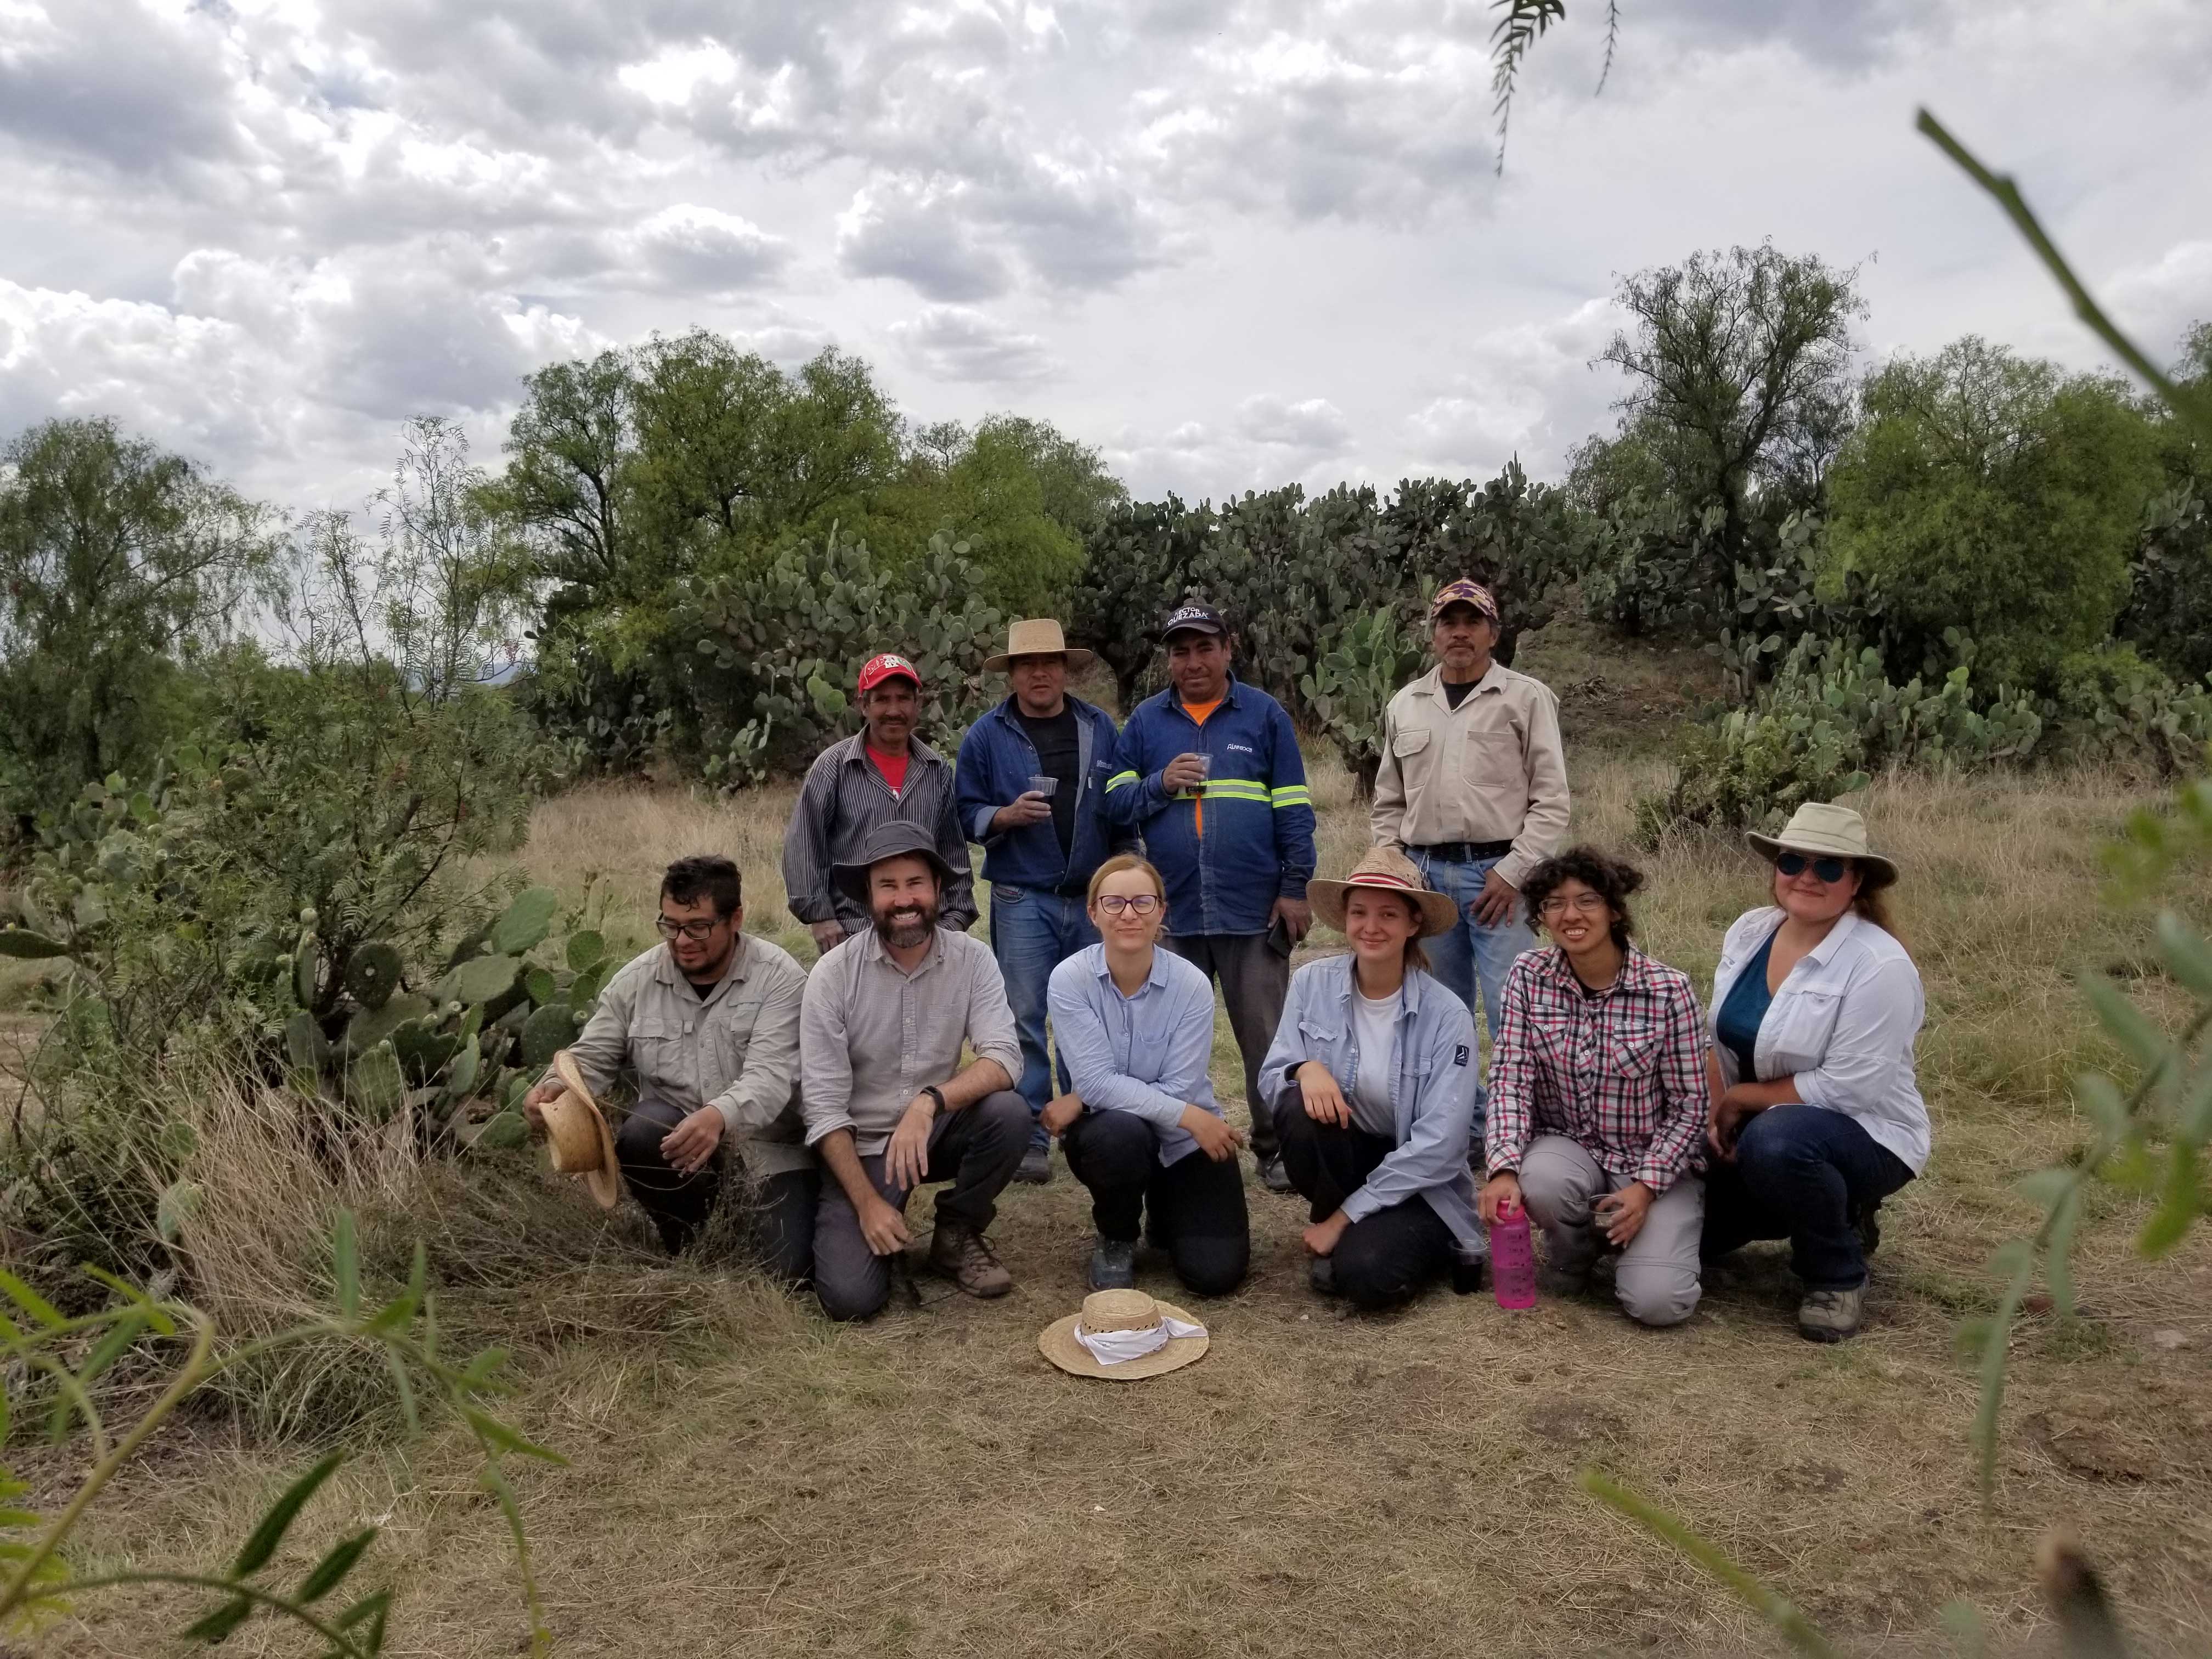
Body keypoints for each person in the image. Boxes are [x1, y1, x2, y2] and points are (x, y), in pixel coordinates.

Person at [1102, 603, 1316, 1193]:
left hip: (1252, 909)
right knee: (1164, 1041)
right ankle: (1177, 1146)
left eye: (1203, 648)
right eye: (1180, 651)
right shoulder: (1146, 722)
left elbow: (1295, 810)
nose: (1192, 662)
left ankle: (1273, 1148)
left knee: (1266, 1039)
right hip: (1171, 912)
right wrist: (1158, 784)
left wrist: (1295, 888)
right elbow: (1115, 803)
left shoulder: (1265, 716)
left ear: (1229, 648)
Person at [1701, 802, 1928, 1343]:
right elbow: (1714, 1037)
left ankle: (1836, 1272)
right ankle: (1823, 1208)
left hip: (1864, 1134)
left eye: (1828, 867)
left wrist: (1743, 1101)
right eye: (1792, 861)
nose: (1806, 876)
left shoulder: (1879, 965)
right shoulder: (1750, 931)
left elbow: (1849, 1089)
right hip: (1754, 1123)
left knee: (1778, 1143)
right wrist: (1713, 1113)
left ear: (1856, 883)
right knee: (1693, 1237)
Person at [522, 856, 812, 1273]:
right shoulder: (636, 980)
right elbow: (591, 1057)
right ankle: (685, 1238)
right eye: (671, 926)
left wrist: (717, 1116)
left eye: (698, 927)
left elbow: (769, 1080)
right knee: (642, 1131)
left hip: (767, 1149)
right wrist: (553, 1089)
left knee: (787, 1271)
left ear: (735, 920)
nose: (681, 940)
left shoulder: (780, 979)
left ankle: (769, 1214)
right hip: (676, 1147)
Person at [799, 821, 1030, 1321]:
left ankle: (957, 1230)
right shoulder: (833, 976)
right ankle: (873, 1217)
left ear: (938, 890)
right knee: (851, 1300)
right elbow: (822, 1109)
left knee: (1009, 1112)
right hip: (860, 1147)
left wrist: (930, 1102)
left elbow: (1006, 1057)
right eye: (888, 886)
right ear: (867, 897)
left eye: (915, 884)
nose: (904, 899)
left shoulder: (973, 960)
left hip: (931, 1134)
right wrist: (867, 1203)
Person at [1372, 578, 1570, 1143]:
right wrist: (1393, 868)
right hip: (1425, 880)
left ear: (1494, 633)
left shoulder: (1526, 698)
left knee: (1513, 1013)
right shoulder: (1406, 704)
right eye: (1447, 622)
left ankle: (1518, 1132)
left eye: (1472, 622)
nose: (1459, 633)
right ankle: (1468, 1125)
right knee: (1440, 1012)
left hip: (1500, 878)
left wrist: (1514, 873)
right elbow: (1388, 801)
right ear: (1432, 634)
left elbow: (1551, 800)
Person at [1479, 847, 1708, 1328]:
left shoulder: (1670, 991)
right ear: (1542, 916)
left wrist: (1647, 1188)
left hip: (1651, 1163)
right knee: (1539, 1179)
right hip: (1569, 1150)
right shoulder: (1528, 977)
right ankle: (1575, 1254)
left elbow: (1691, 1107)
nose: (1571, 915)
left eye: (1587, 900)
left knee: (1658, 1303)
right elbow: (1510, 1080)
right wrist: (1502, 1167)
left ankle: (1646, 1244)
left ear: (1614, 909)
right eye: (1555, 904)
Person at [1259, 847, 1483, 1310]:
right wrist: (1305, 1068)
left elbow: (1440, 1144)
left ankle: (1370, 1232)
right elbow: (1271, 1076)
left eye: (1388, 914)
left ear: (1413, 924)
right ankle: (1336, 1216)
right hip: (1348, 1151)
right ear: (1345, 919)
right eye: (1359, 912)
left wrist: (1345, 1219)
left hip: (1420, 1174)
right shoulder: (1310, 983)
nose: (1372, 927)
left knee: (1367, 1277)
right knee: (1299, 1106)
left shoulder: (1448, 1015)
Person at [955, 618, 1134, 1186]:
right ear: (1011, 674)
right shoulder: (986, 735)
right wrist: (1003, 817)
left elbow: (1121, 808)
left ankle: (1084, 1121)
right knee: (1025, 1018)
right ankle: (1032, 1132)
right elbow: (964, 813)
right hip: (1021, 894)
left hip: (1090, 899)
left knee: (1091, 1016)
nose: (1039, 672)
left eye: (1049, 662)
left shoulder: (1099, 727)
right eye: (1026, 664)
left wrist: (1131, 876)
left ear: (1064, 669)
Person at [1043, 854, 1252, 1295]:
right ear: (1093, 912)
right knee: (1120, 1133)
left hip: (1182, 1138)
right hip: (1125, 1132)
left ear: (1161, 910)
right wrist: (1193, 1117)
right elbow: (1101, 1082)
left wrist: (1081, 1097)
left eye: (1142, 902)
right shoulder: (1070, 980)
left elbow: (1178, 1085)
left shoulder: (1192, 984)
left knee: (1214, 1275)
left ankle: (1164, 1204)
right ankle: (1117, 1234)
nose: (1129, 915)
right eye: (1114, 903)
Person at [782, 651, 978, 953]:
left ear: (918, 704)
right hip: (853, 932)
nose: (894, 710)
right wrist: (820, 916)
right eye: (882, 699)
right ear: (863, 705)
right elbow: (805, 841)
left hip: (924, 933)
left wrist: (954, 919)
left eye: (903, 699)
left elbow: (951, 848)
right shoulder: (835, 766)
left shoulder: (936, 769)